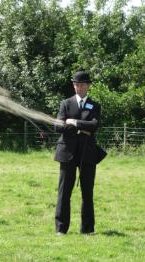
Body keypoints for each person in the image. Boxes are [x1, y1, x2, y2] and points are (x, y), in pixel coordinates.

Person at [54, 70, 101, 235]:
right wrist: (83, 127)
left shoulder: (95, 105)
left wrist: (73, 122)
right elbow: (58, 126)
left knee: (87, 192)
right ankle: (61, 229)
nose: (78, 87)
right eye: (75, 84)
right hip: (67, 152)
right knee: (64, 192)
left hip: (87, 153)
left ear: (88, 86)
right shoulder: (65, 103)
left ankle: (88, 229)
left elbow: (94, 125)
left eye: (81, 84)